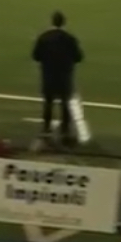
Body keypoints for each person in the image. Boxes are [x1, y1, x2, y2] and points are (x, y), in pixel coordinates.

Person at [31, 11, 83, 148]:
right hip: (64, 76)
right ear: (64, 23)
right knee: (65, 103)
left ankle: (46, 128)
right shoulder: (70, 39)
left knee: (48, 103)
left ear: (52, 22)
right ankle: (65, 130)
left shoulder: (44, 37)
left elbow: (35, 56)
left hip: (48, 76)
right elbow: (78, 57)